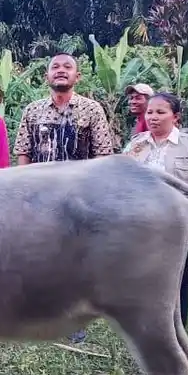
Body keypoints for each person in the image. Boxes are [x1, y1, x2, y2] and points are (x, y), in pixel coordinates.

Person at [14, 52, 114, 342]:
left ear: (77, 76)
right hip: (41, 197)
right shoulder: (33, 111)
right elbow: (23, 152)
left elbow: (103, 155)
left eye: (67, 67)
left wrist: (95, 197)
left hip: (78, 198)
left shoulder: (91, 110)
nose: (61, 70)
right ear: (46, 76)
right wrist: (24, 192)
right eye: (55, 67)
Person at [122, 92, 188, 325]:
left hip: (177, 219)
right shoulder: (137, 144)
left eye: (160, 112)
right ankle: (143, 322)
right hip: (141, 219)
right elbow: (122, 180)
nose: (153, 117)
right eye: (150, 112)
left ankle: (176, 323)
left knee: (177, 273)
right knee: (143, 270)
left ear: (175, 117)